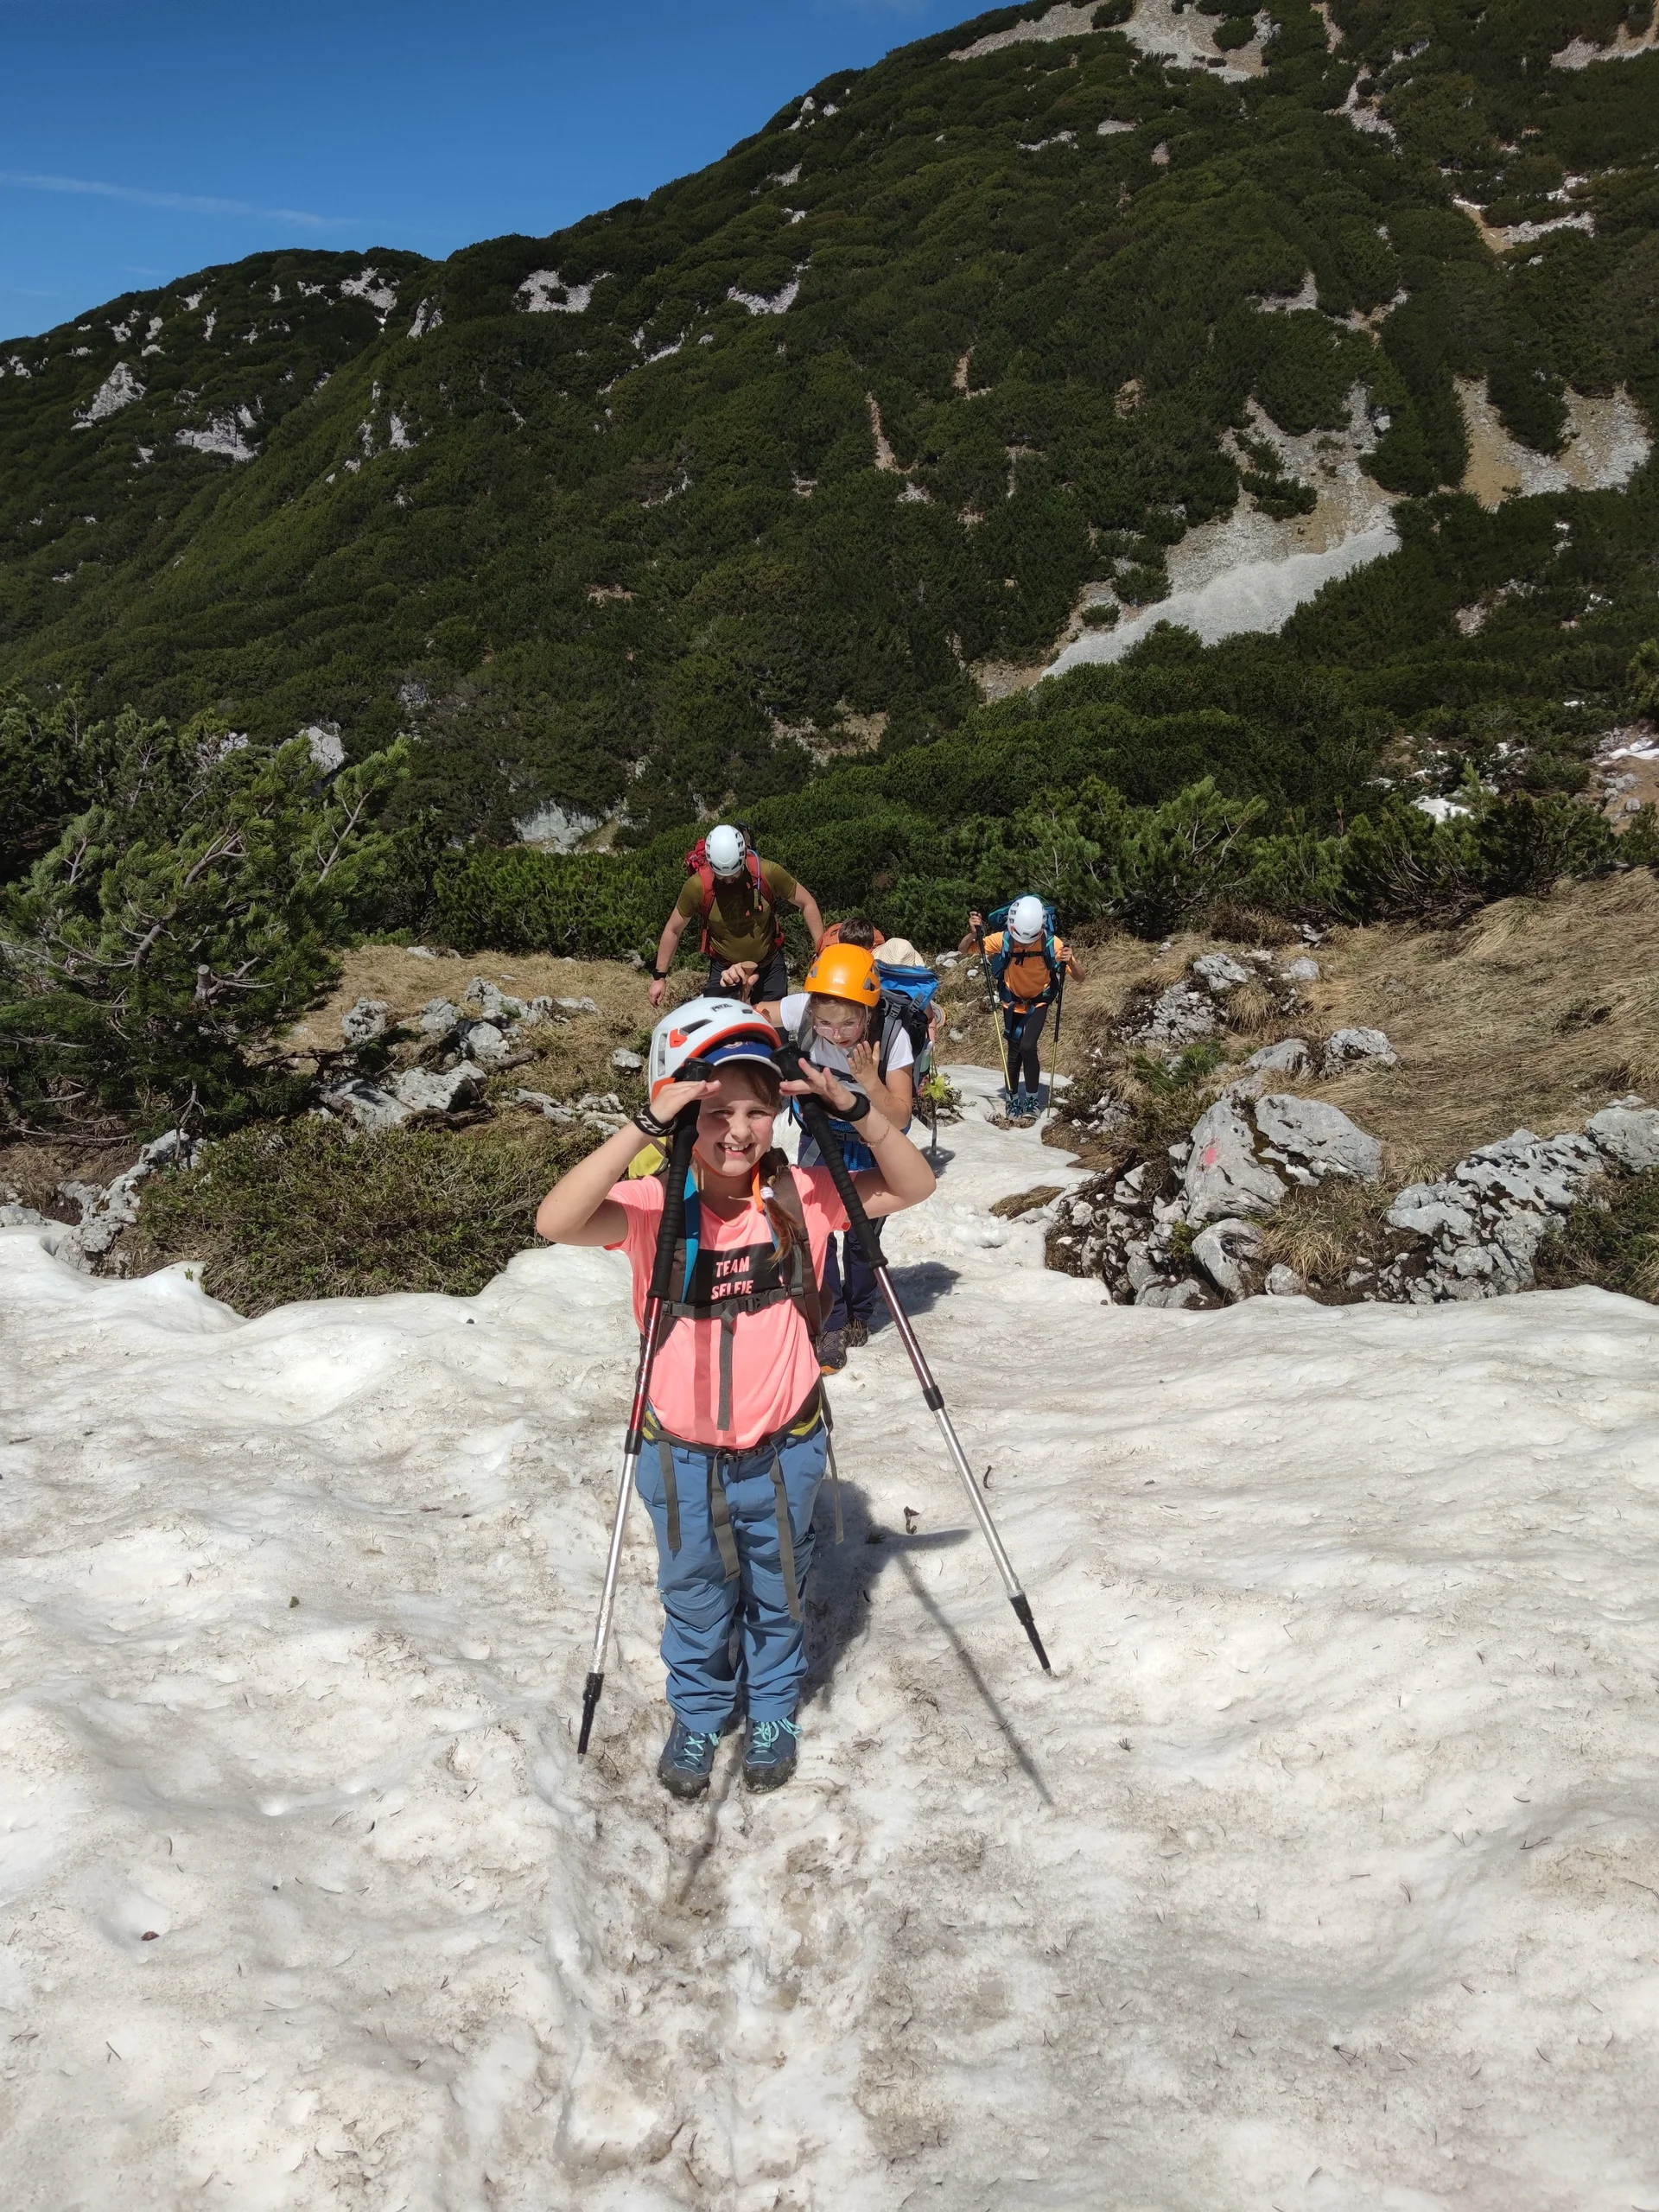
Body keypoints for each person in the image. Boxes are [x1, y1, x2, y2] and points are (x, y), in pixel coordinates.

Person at [534, 996, 935, 1799]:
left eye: (757, 1109)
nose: (739, 1129)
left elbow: (913, 1184)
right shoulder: (656, 1205)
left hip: (783, 1449)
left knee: (778, 1587)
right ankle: (699, 1710)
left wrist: (851, 1105)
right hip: (677, 1455)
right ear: (686, 1112)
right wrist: (646, 1127)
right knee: (692, 1593)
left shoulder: (805, 1195)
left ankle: (775, 1708)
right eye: (716, 1110)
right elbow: (557, 1219)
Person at [755, 942, 918, 1374]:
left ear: (870, 1010)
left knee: (863, 1235)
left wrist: (868, 1079)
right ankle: (831, 1321)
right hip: (821, 1130)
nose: (837, 1033)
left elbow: (900, 1113)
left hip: (872, 1139)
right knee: (815, 1229)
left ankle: (859, 1313)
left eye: (849, 1023)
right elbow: (759, 1014)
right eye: (824, 1023)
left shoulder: (893, 1035)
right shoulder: (805, 1010)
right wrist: (741, 991)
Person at [647, 824, 824, 1010]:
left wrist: (822, 952)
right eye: (722, 876)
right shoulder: (698, 887)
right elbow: (673, 930)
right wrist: (660, 977)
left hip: (769, 966)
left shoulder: (766, 873)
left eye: (734, 873)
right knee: (723, 1033)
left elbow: (807, 903)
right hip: (725, 970)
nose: (729, 880)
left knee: (774, 1034)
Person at [960, 894, 1084, 1124]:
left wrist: (1071, 961)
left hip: (1039, 1001)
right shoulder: (1004, 938)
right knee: (1014, 1052)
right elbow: (965, 949)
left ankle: (1033, 1100)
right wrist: (973, 934)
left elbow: (1080, 978)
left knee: (1028, 1046)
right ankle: (1013, 1097)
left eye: (1028, 940)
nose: (1023, 944)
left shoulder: (1052, 943)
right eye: (1020, 939)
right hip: (1012, 1003)